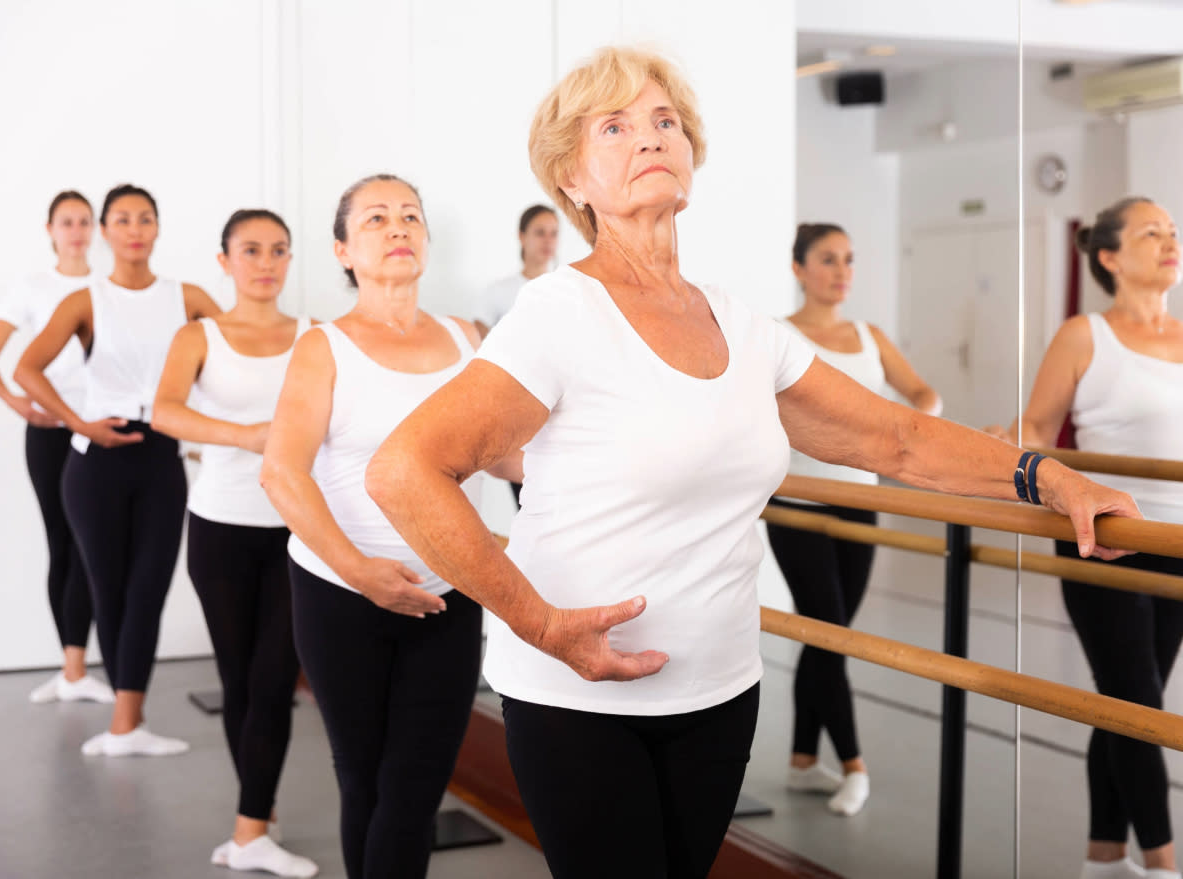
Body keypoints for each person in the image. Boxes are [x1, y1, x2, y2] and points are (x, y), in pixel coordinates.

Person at [364, 47, 1141, 879]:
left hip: (722, 691)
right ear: (572, 181)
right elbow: (405, 469)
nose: (650, 138)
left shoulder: (744, 326)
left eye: (666, 122)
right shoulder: (558, 314)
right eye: (616, 127)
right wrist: (541, 623)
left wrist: (1046, 475)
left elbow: (897, 439)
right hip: (579, 698)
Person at [261, 174, 516, 879]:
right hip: (342, 593)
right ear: (344, 250)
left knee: (413, 788)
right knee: (366, 779)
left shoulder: (469, 339)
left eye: (410, 215)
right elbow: (282, 472)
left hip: (447, 590)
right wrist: (359, 571)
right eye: (376, 218)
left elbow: (502, 454)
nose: (398, 226)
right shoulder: (324, 347)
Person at [989, 197, 1183, 879]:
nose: (1169, 240)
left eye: (1172, 230)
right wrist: (991, 448)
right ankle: (1164, 864)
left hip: (1176, 546)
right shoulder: (1084, 334)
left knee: (1125, 699)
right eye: (1150, 231)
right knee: (1138, 704)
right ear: (1107, 256)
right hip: (1104, 538)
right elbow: (1038, 430)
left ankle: (1103, 858)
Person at [15, 183, 220, 757]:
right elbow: (29, 369)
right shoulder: (86, 299)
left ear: (157, 229)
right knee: (108, 590)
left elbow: (237, 352)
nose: (135, 228)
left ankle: (130, 723)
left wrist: (212, 429)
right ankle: (121, 725)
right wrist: (77, 422)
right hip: (97, 463)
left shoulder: (188, 296)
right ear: (105, 231)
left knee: (149, 588)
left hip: (161, 457)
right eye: (123, 219)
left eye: (145, 218)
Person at [152, 209, 317, 877]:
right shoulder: (199, 334)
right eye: (251, 250)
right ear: (224, 260)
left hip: (296, 527)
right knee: (239, 676)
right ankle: (258, 805)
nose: (266, 262)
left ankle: (250, 831)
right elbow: (164, 411)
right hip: (219, 525)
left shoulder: (314, 336)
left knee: (276, 678)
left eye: (279, 250)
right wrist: (246, 434)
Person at [769, 222, 942, 817]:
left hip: (864, 507)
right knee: (832, 632)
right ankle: (852, 765)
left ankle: (798, 761)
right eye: (826, 259)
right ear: (798, 268)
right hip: (800, 506)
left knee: (826, 635)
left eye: (848, 259)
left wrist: (900, 426)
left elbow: (924, 394)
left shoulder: (869, 335)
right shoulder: (778, 335)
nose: (841, 271)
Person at [0, 190, 112, 704]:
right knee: (63, 541)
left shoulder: (109, 287)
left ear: (96, 230)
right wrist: (18, 404)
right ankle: (71, 667)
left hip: (99, 430)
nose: (77, 231)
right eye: (67, 222)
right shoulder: (32, 286)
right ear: (50, 229)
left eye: (84, 221)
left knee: (92, 545)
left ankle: (80, 667)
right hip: (49, 431)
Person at [471, 204, 558, 339]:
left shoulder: (566, 290)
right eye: (540, 233)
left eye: (554, 234)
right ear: (522, 236)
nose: (548, 241)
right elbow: (476, 342)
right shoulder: (497, 291)